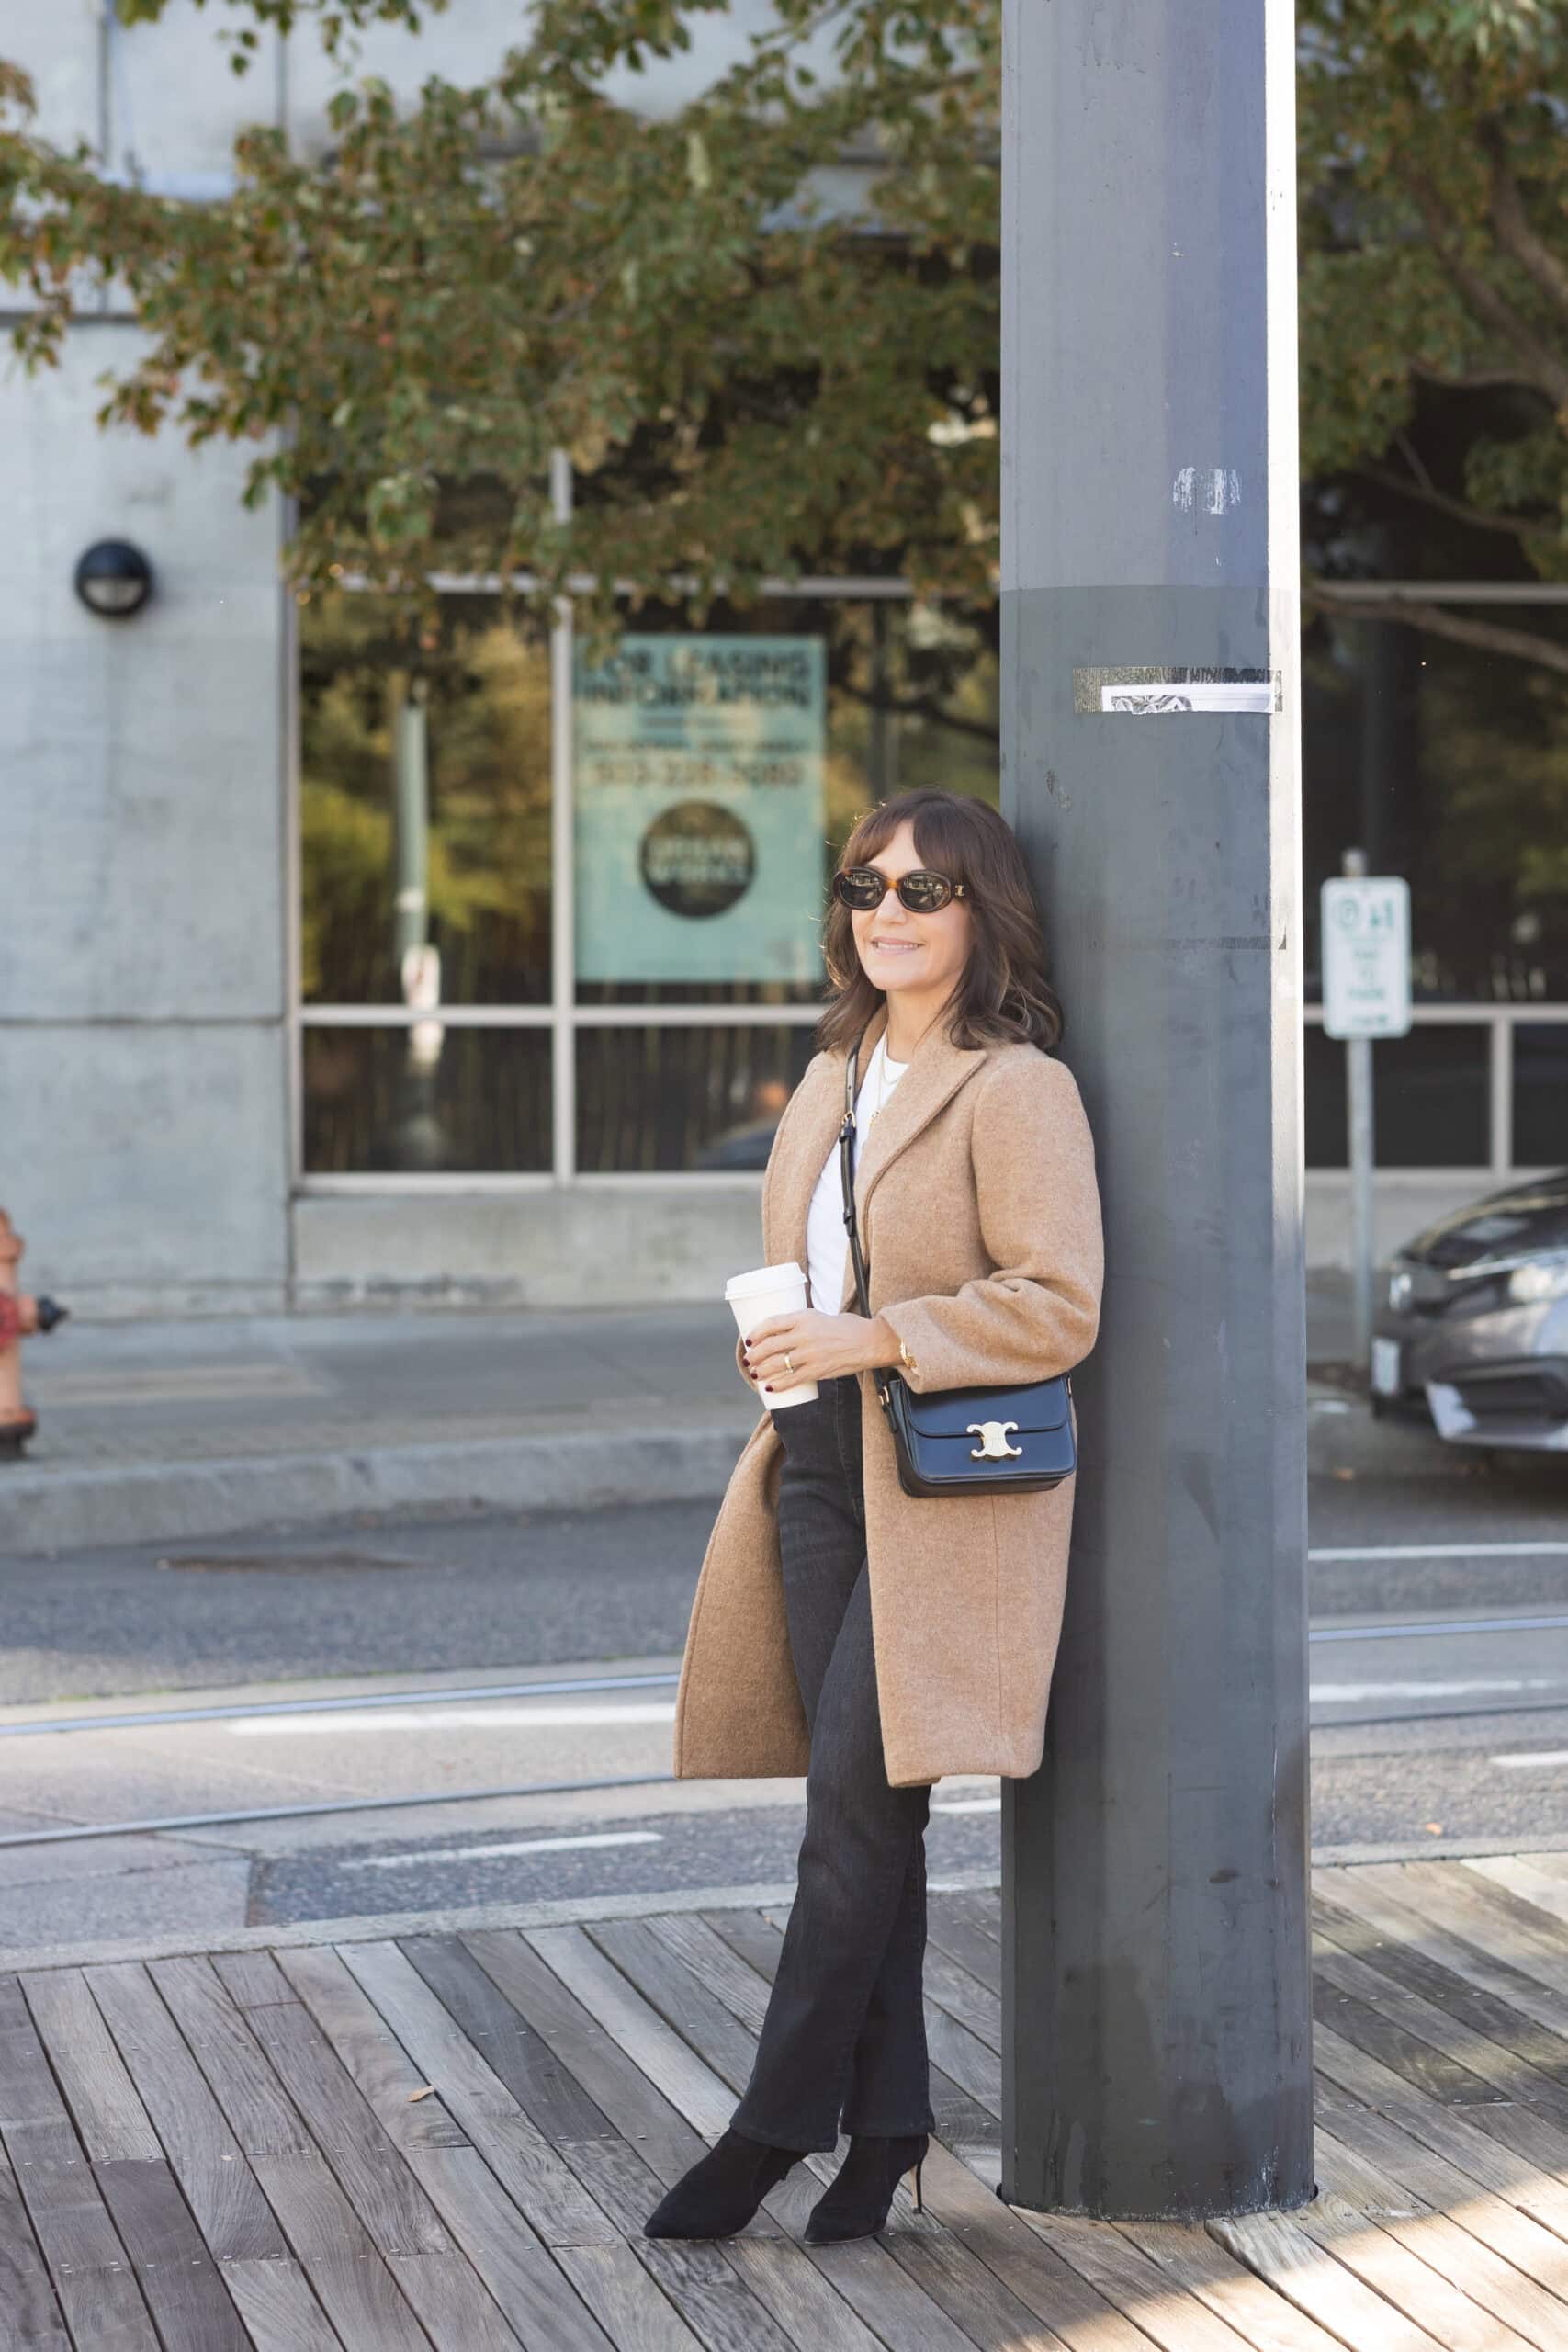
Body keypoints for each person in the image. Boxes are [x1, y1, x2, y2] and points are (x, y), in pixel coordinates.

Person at [645, 787, 1104, 2244]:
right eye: (865, 890)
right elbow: (805, 1273)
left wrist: (879, 1337)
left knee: (854, 1813)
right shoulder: (835, 1069)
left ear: (984, 912)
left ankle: (773, 2126)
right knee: (864, 1816)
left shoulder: (1015, 1084)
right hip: (815, 1468)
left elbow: (1059, 1301)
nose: (887, 916)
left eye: (922, 891)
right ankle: (890, 2125)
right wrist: (783, 1338)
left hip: (940, 1485)